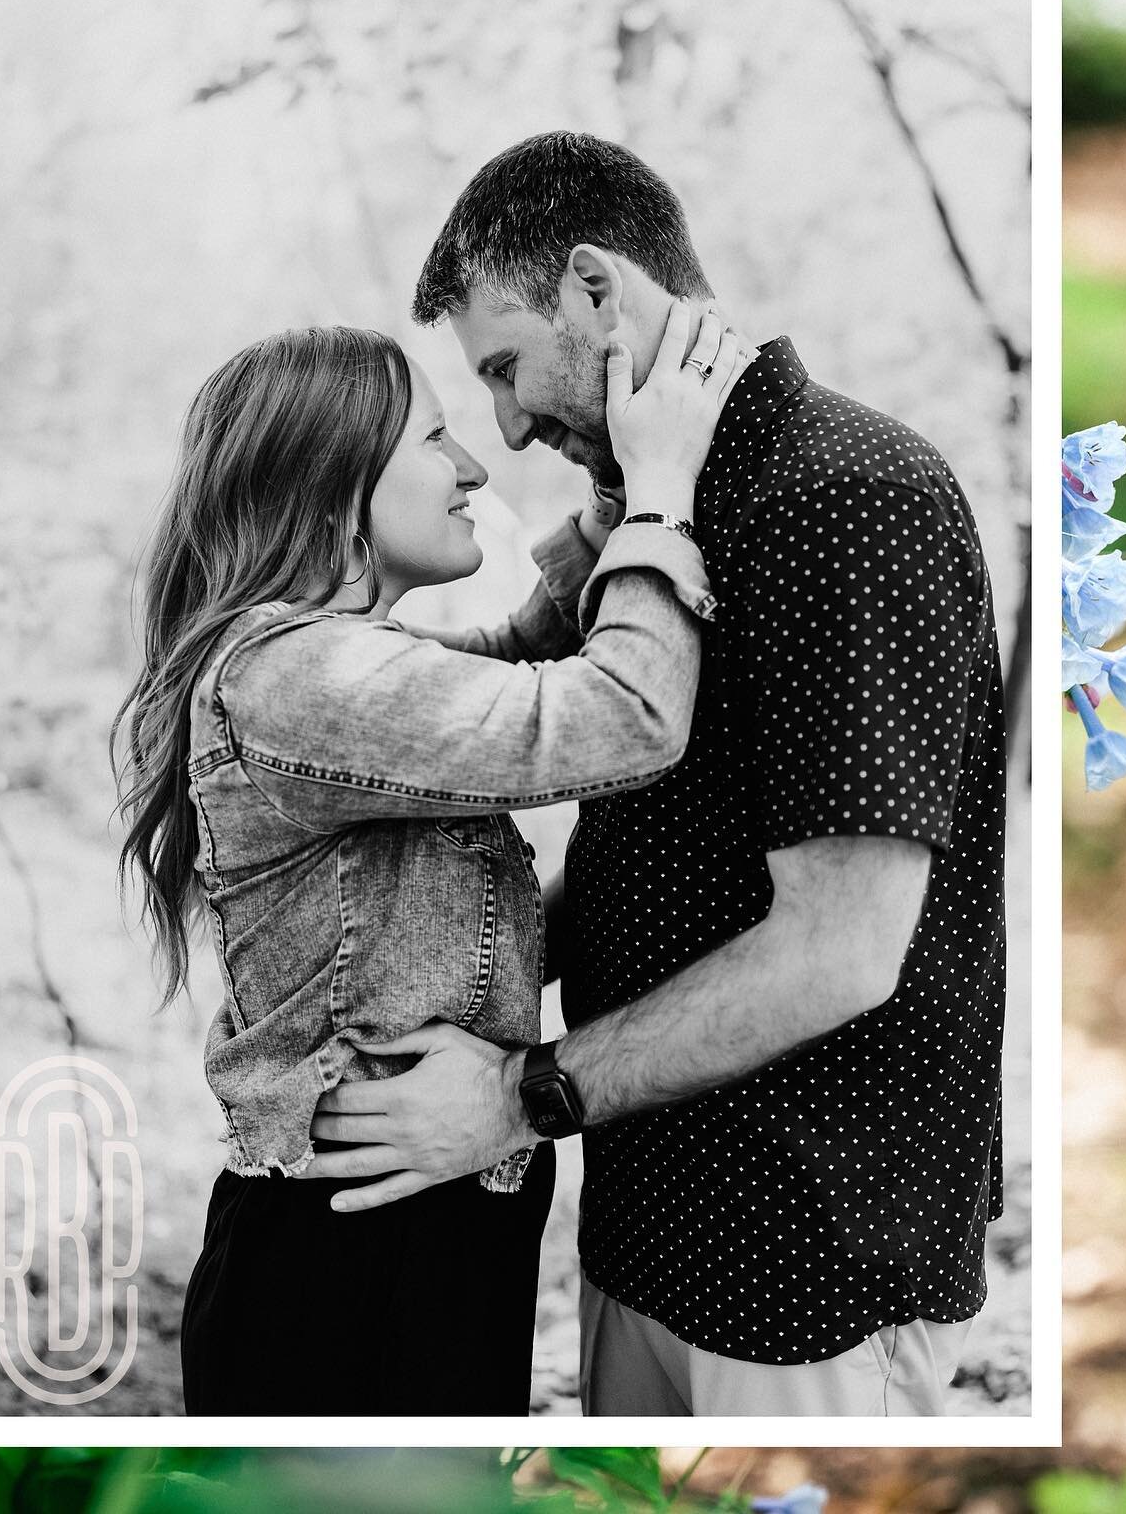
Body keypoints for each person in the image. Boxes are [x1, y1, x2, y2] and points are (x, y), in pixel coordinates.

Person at [305, 132, 1009, 1419]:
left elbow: (842, 951)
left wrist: (517, 1100)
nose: (508, 427)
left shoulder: (845, 497)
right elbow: (651, 858)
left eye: (506, 370)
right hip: (647, 1227)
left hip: (803, 1267)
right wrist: (472, 1013)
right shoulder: (673, 521)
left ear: (595, 287)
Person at [111, 312, 747, 1415]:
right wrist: (658, 498)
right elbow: (625, 715)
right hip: (346, 1260)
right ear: (330, 489)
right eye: (436, 439)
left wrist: (599, 506)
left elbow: (497, 668)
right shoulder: (292, 678)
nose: (470, 466)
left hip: (421, 1237)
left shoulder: (333, 666)